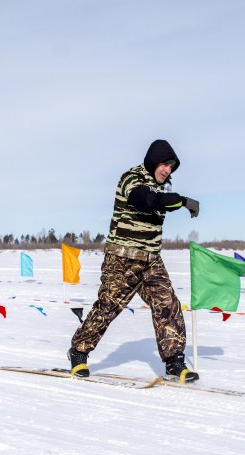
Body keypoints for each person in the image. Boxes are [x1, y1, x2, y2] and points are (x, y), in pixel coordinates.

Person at [68, 139, 200, 382]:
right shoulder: (132, 178)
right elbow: (145, 200)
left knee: (168, 305)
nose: (167, 170)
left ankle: (174, 362)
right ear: (152, 161)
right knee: (107, 308)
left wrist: (175, 199)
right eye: (164, 165)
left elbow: (159, 201)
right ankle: (78, 353)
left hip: (151, 260)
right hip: (122, 259)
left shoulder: (163, 188)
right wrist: (182, 201)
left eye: (171, 167)